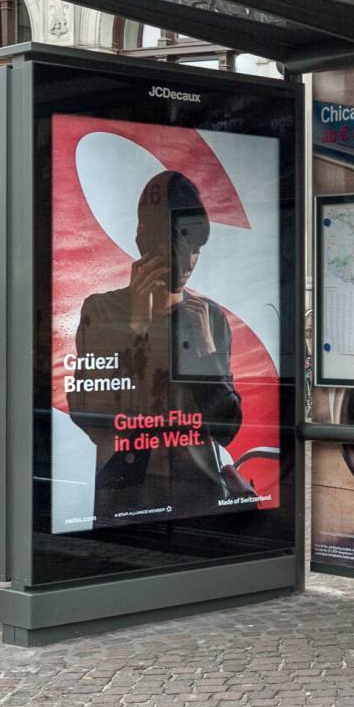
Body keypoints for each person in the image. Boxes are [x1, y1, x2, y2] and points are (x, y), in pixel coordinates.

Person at [67, 171, 247, 526]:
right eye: (178, 244)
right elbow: (88, 414)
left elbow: (226, 428)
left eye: (197, 248)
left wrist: (206, 353)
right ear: (143, 240)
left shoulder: (209, 318)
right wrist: (135, 328)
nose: (188, 260)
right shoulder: (102, 310)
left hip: (201, 494)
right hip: (127, 496)